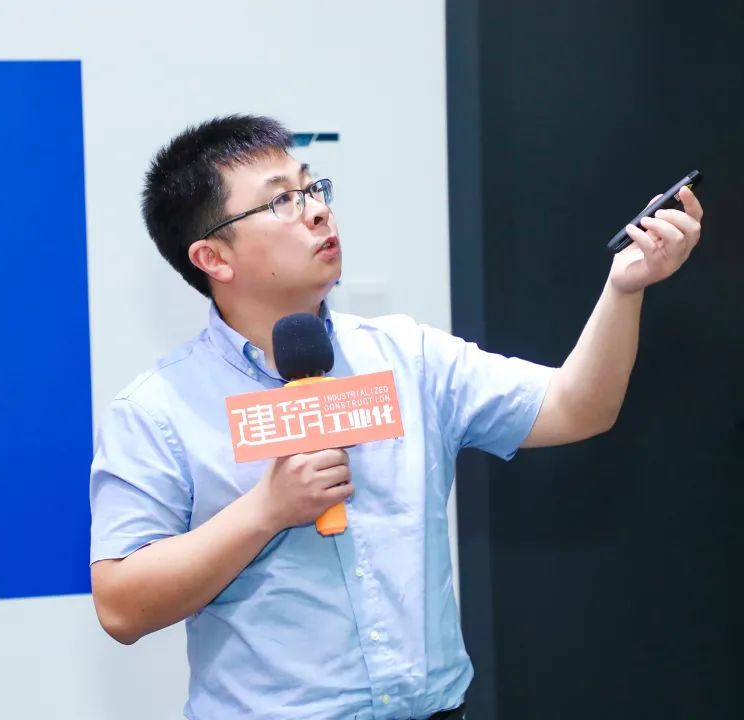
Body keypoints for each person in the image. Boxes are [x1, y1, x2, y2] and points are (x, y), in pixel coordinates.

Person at [88, 115, 703, 720]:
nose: (317, 212)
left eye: (312, 188)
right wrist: (265, 511)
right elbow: (120, 607)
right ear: (213, 257)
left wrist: (624, 289)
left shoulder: (406, 356)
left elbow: (577, 407)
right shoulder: (159, 410)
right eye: (281, 202)